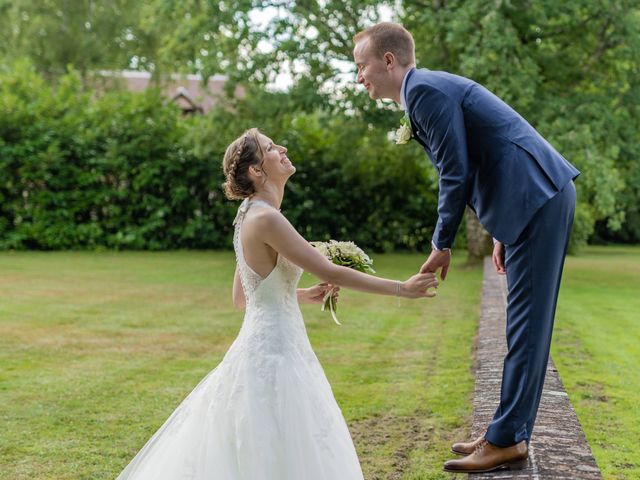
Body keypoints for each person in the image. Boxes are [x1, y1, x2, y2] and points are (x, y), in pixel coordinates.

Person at [116, 128, 439, 480]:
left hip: (267, 343)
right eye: (271, 148)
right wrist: (401, 289)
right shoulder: (266, 218)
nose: (282, 148)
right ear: (257, 171)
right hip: (277, 352)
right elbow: (328, 270)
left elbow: (244, 298)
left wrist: (299, 294)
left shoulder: (247, 214)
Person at [352, 22, 579, 474]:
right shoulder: (426, 90)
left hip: (536, 197)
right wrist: (499, 229)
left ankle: (506, 440)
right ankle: (507, 430)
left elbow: (454, 172)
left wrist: (441, 244)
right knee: (523, 327)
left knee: (527, 329)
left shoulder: (424, 93)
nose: (360, 77)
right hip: (525, 201)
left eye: (362, 66)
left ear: (389, 60)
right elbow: (481, 159)